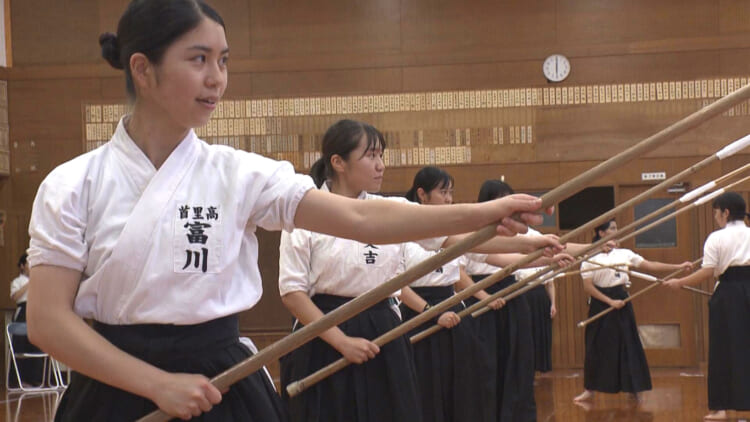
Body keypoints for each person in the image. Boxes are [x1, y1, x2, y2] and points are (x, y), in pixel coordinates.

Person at [25, 2, 554, 421]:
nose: (217, 78)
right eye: (198, 58)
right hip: (115, 391)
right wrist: (156, 384)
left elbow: (365, 220)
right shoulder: (72, 185)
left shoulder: (239, 173)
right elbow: (49, 322)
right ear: (142, 68)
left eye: (224, 60)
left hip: (222, 385)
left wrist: (482, 214)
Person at [277, 129, 561, 422]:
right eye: (371, 156)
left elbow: (460, 238)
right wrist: (342, 342)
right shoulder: (304, 214)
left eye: (381, 156)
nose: (381, 165)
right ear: (338, 162)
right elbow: (292, 293)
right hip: (324, 335)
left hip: (385, 331)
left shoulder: (392, 209)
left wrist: (531, 245)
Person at [575, 218, 692, 404]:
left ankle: (633, 388)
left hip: (621, 299)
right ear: (601, 233)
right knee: (595, 346)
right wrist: (609, 302)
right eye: (613, 228)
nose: (617, 230)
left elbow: (650, 265)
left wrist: (678, 267)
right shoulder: (589, 258)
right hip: (601, 302)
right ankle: (590, 390)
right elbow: (588, 287)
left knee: (628, 344)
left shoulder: (624, 254)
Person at [665, 192, 750, 420]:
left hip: (728, 295)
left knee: (723, 350)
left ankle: (721, 408)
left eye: (716, 212)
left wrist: (679, 283)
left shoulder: (716, 238)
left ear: (726, 212)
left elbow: (707, 271)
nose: (715, 217)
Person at [8, 254, 44, 387]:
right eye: (29, 264)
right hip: (23, 311)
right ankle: (18, 380)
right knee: (21, 344)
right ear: (22, 266)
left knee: (36, 343)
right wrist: (30, 283)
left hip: (36, 310)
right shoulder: (17, 281)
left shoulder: (38, 281)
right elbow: (15, 296)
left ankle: (35, 377)